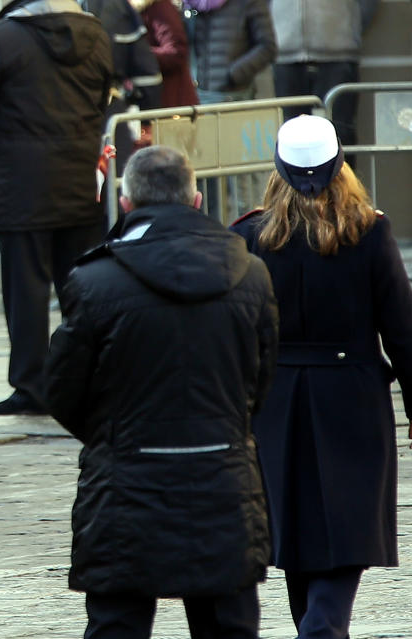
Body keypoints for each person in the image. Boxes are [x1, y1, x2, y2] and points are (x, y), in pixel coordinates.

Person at [44, 145, 278, 639]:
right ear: (196, 201)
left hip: (125, 482)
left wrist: (112, 433)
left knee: (118, 625)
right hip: (222, 480)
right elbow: (259, 381)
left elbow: (62, 389)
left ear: (126, 204)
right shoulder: (251, 275)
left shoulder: (95, 280)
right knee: (227, 626)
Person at [230, 115, 412, 638]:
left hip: (274, 400)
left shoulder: (250, 235)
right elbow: (403, 327)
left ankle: (317, 625)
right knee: (345, 526)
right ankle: (321, 628)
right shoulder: (368, 231)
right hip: (350, 397)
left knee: (295, 523)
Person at [0, 0, 113, 416]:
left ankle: (32, 385)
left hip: (21, 184)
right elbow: (104, 97)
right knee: (80, 288)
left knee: (25, 292)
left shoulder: (1, 37)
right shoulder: (96, 32)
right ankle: (85, 380)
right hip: (81, 178)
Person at [183, 0, 275, 218]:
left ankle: (247, 239)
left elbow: (267, 47)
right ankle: (212, 239)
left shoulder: (249, 3)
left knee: (241, 183)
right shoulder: (190, 5)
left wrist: (233, 74)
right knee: (205, 185)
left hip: (235, 99)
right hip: (198, 101)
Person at [270, 0, 378, 163]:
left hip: (339, 53)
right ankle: (294, 189)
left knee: (340, 133)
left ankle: (342, 188)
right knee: (291, 137)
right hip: (286, 54)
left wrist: (349, 27)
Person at [136, 0, 198, 108]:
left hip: (171, 101)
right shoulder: (125, 9)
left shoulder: (159, 6)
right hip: (151, 99)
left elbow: (176, 51)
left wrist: (139, 54)